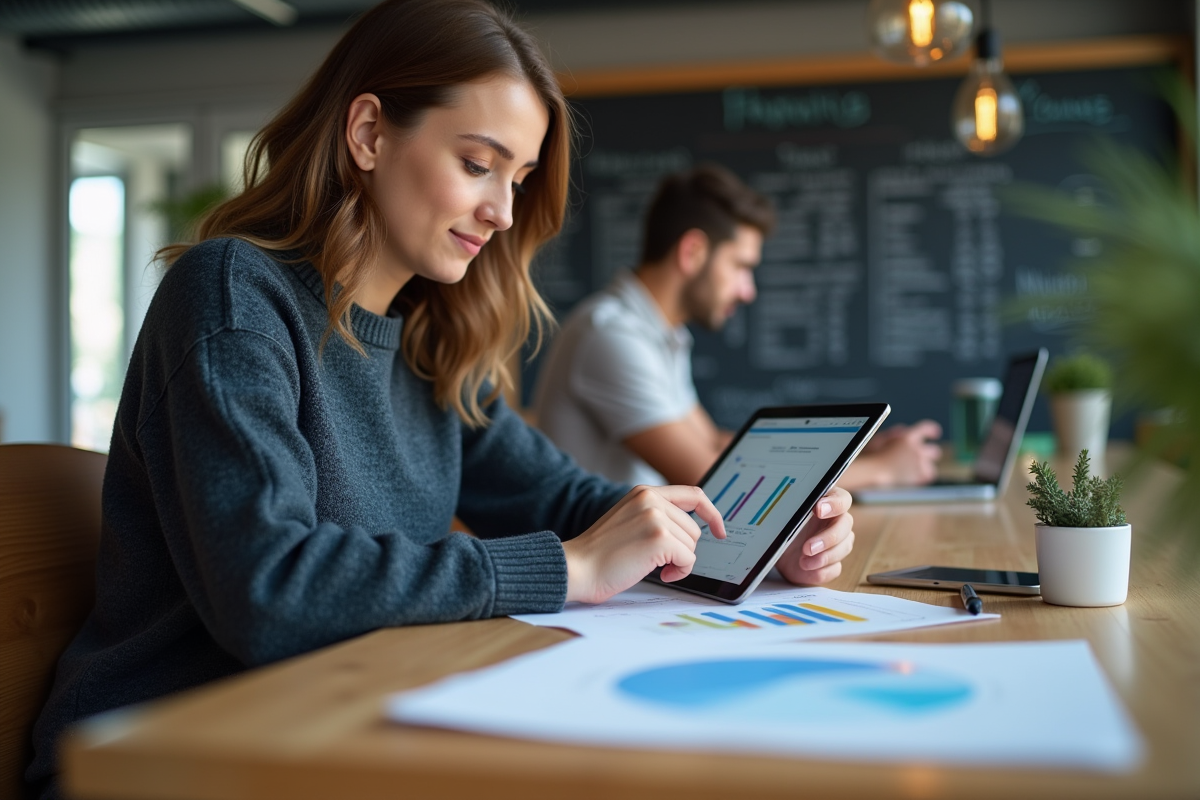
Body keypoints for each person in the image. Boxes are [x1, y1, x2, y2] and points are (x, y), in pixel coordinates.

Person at [26, 3, 857, 797]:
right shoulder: (232, 296)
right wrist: (569, 566)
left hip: (339, 728)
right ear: (368, 133)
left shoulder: (430, 341)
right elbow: (269, 590)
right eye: (476, 164)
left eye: (520, 178)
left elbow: (571, 501)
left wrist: (743, 550)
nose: (502, 211)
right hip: (164, 756)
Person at [534, 164, 942, 490]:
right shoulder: (610, 335)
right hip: (601, 584)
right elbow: (714, 481)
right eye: (741, 267)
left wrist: (857, 456)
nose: (748, 292)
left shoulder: (658, 332)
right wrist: (885, 472)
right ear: (693, 252)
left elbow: (712, 444)